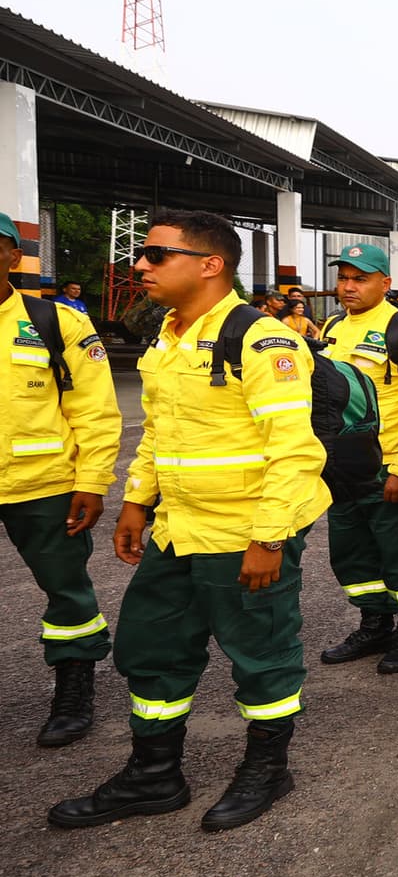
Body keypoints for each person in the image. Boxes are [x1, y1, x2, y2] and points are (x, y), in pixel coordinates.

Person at [50, 210, 330, 832]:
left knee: (262, 654)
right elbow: (158, 433)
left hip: (246, 530)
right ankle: (154, 774)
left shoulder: (262, 341)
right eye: (142, 256)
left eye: (155, 255)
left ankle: (266, 768)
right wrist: (137, 501)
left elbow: (294, 450)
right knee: (152, 648)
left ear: (210, 265)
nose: (140, 266)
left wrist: (269, 537)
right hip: (178, 526)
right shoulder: (168, 338)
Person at [0, 213, 121, 747]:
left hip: (43, 485)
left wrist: (93, 481)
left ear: (12, 256)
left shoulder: (55, 322)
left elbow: (94, 410)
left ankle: (73, 690)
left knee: (66, 592)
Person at [313, 243, 398, 676]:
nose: (348, 287)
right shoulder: (331, 326)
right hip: (339, 469)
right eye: (344, 278)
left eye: (360, 278)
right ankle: (374, 625)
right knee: (352, 554)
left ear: (385, 284)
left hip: (388, 467)